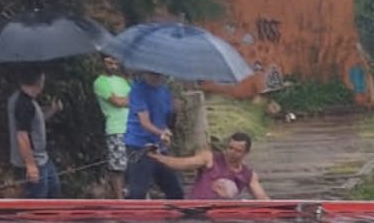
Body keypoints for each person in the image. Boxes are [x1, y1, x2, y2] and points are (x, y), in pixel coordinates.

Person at [148, 131, 268, 201]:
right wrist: (158, 157)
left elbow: (262, 198)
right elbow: (182, 164)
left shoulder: (249, 175)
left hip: (223, 216)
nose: (232, 153)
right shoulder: (209, 158)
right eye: (230, 148)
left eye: (237, 151)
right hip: (196, 211)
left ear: (246, 153)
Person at [123, 69, 183, 199]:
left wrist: (169, 127)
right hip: (139, 145)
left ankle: (175, 215)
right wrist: (161, 132)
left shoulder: (165, 91)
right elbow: (144, 122)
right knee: (138, 191)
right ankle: (129, 215)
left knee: (175, 190)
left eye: (158, 74)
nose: (155, 77)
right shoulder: (137, 90)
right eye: (152, 74)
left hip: (159, 146)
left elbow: (166, 119)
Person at [7, 68, 63, 198]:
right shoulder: (23, 103)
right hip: (32, 160)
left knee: (54, 189)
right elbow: (22, 135)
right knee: (37, 197)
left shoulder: (29, 101)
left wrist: (53, 110)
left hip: (42, 158)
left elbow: (37, 122)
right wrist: (30, 165)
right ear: (39, 82)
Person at [93, 54, 131, 197]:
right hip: (116, 128)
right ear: (102, 62)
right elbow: (118, 102)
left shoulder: (123, 81)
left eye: (115, 62)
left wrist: (128, 100)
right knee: (117, 167)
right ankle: (119, 199)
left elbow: (136, 98)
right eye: (109, 63)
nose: (113, 66)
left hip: (131, 128)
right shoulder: (100, 82)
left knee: (134, 164)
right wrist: (128, 100)